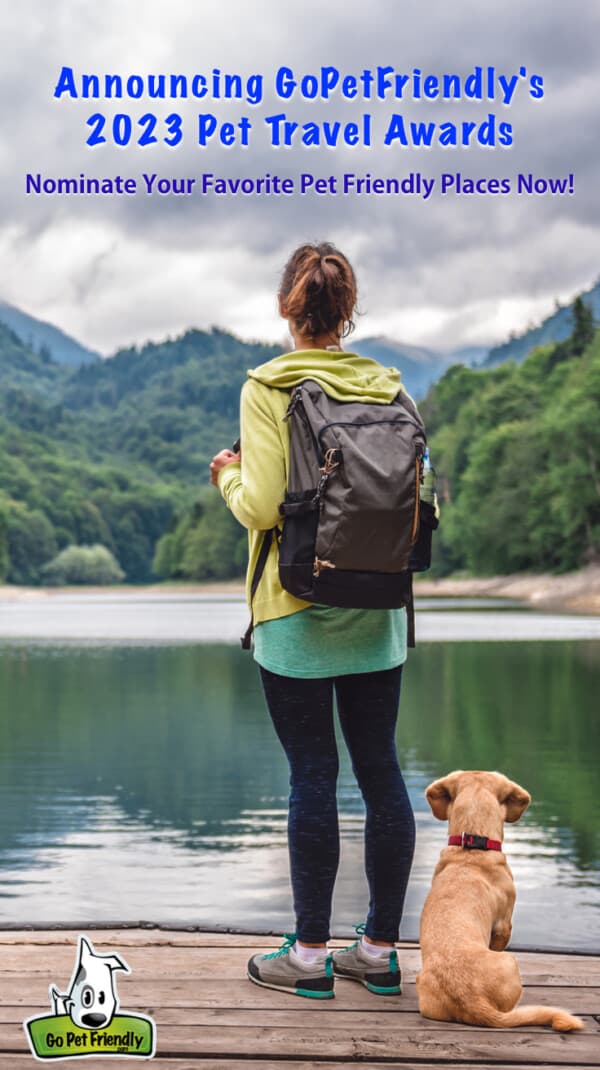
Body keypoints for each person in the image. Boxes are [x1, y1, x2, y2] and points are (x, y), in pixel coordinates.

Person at [210, 242, 417, 1000]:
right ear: (348, 312)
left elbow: (263, 507)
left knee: (313, 777)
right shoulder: (389, 387)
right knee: (382, 772)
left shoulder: (270, 385)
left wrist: (228, 476)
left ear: (285, 308)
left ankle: (307, 958)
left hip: (295, 610)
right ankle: (380, 950)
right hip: (379, 614)